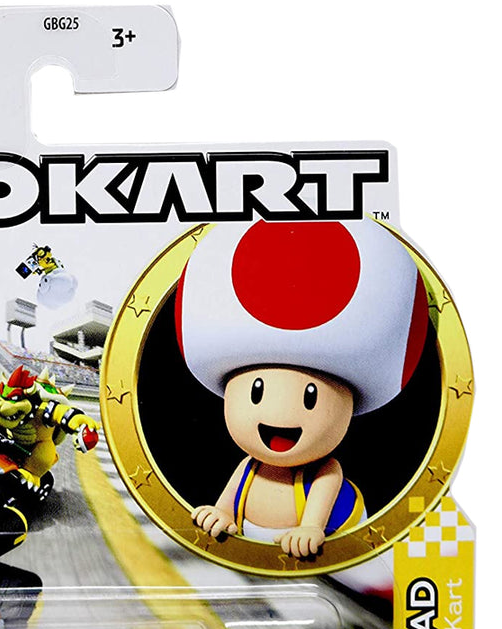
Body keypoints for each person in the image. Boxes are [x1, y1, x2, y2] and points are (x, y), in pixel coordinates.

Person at [177, 218, 428, 557]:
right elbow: (229, 501)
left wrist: (310, 528)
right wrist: (221, 513)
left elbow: (316, 517)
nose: (279, 415)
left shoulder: (326, 472)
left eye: (311, 397)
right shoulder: (249, 466)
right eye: (257, 392)